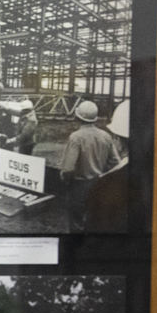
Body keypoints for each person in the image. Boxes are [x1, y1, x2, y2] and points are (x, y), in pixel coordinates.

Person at [58, 99, 125, 232]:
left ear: (78, 117)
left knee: (77, 222)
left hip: (79, 186)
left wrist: (65, 180)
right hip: (100, 183)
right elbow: (116, 163)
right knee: (94, 220)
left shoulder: (76, 138)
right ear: (94, 118)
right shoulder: (106, 136)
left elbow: (68, 168)